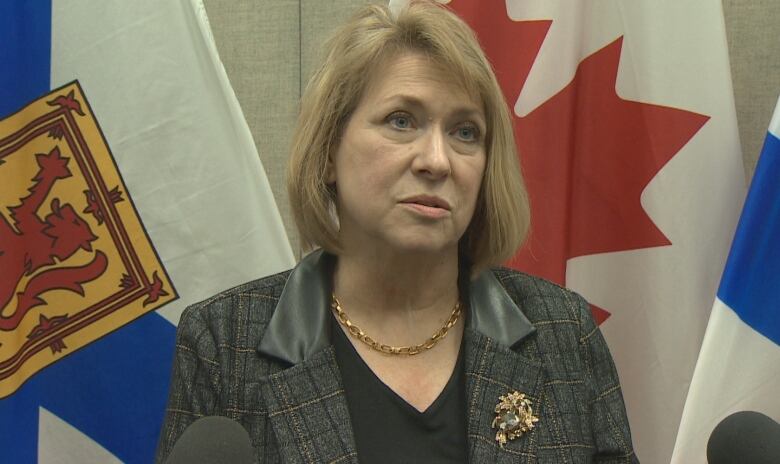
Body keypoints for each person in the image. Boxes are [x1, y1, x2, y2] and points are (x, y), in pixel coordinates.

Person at [155, 1, 638, 463]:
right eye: (401, 121)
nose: (436, 160)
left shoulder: (562, 332)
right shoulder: (224, 342)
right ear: (328, 153)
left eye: (465, 132)